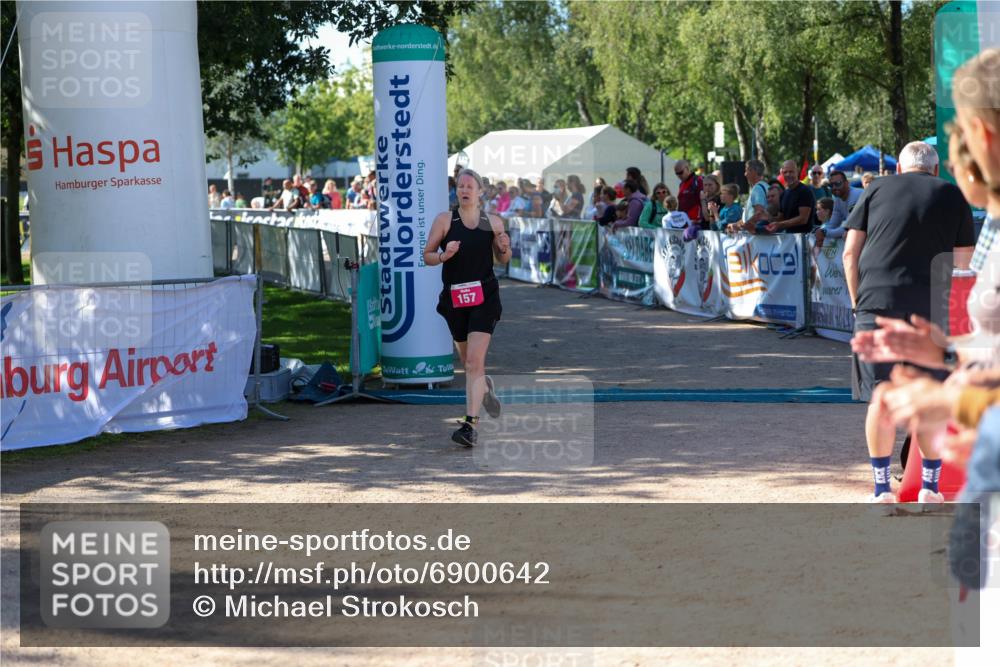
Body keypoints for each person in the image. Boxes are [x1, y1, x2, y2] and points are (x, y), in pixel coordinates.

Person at [842, 140, 976, 504]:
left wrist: (859, 305)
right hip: (931, 307)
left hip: (876, 303)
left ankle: (882, 488)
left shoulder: (874, 188)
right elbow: (963, 265)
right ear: (935, 170)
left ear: (899, 169)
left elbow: (850, 253)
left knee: (880, 398)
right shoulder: (952, 194)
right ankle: (930, 488)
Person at [423, 168, 511, 447]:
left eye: (470, 186)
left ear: (480, 192)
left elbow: (503, 258)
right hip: (455, 299)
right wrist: (443, 255)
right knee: (468, 363)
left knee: (474, 361)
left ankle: (470, 426)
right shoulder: (445, 221)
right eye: (460, 185)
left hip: (484, 297)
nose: (464, 190)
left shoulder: (493, 222)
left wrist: (506, 246)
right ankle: (484, 390)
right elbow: (426, 256)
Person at [765, 161, 816, 234]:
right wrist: (767, 218)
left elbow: (803, 219)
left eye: (791, 172)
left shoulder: (805, 191)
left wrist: (779, 224)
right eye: (785, 172)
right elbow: (781, 218)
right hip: (789, 239)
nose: (788, 174)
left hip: (803, 239)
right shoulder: (784, 193)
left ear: (797, 172)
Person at [819, 169, 864, 245]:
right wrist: (822, 230)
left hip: (874, 233)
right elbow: (833, 223)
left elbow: (846, 228)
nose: (834, 187)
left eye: (838, 184)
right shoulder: (837, 199)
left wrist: (824, 232)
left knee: (847, 235)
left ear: (847, 183)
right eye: (831, 185)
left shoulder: (855, 196)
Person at [735, 159, 769, 233]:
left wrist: (744, 226)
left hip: (756, 236)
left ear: (754, 172)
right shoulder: (765, 186)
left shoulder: (757, 189)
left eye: (746, 171)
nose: (745, 174)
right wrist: (737, 225)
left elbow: (759, 213)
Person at [674, 160, 703, 225]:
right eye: (677, 173)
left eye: (681, 172)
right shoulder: (681, 184)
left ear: (687, 169)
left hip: (695, 221)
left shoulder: (698, 181)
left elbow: (703, 201)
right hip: (683, 221)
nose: (679, 176)